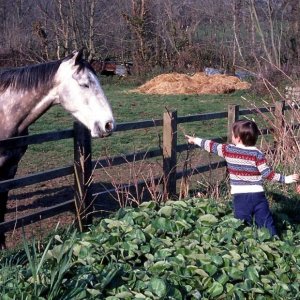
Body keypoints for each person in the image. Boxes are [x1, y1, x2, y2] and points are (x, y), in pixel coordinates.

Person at [185, 119, 299, 236]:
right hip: (258, 195)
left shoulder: (228, 150)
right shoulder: (258, 154)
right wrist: (286, 179)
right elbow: (266, 173)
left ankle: (243, 246)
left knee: (241, 224)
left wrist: (195, 140)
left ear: (238, 138)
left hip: (241, 196)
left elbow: (211, 145)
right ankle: (275, 245)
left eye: (233, 134)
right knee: (266, 223)